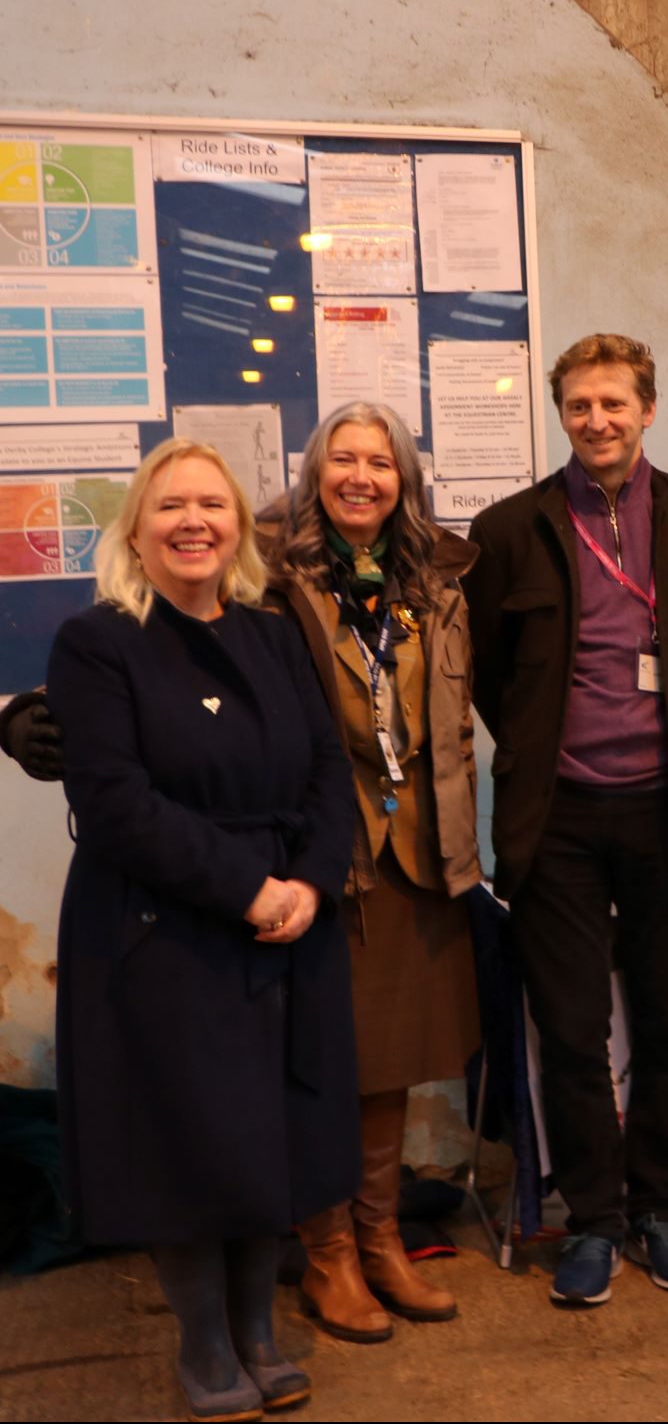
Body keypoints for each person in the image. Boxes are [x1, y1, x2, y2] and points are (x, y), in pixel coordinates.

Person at [47, 439, 356, 1421]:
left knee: (272, 1129)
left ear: (238, 525)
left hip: (284, 918)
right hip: (160, 924)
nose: (193, 521)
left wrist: (308, 881)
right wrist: (248, 888)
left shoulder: (273, 632)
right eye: (170, 504)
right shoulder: (97, 641)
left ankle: (260, 1326)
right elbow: (114, 803)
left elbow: (324, 767)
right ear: (135, 527)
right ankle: (206, 1337)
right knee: (187, 1137)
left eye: (211, 504)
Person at [467, 333, 668, 1306]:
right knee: (574, 1031)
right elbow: (497, 679)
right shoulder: (508, 530)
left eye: (614, 402)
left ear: (648, 408)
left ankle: (660, 1208)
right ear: (561, 413)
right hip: (562, 823)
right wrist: (550, 750)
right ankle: (592, 1219)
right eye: (579, 404)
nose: (597, 419)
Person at [268, 402, 483, 1339]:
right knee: (321, 1059)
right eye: (343, 460)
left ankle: (382, 1238)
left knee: (391, 1056)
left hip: (416, 846)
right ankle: (327, 1257)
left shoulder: (432, 581)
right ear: (315, 473)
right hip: (320, 850)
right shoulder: (268, 579)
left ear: (406, 480)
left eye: (382, 463)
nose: (362, 476)